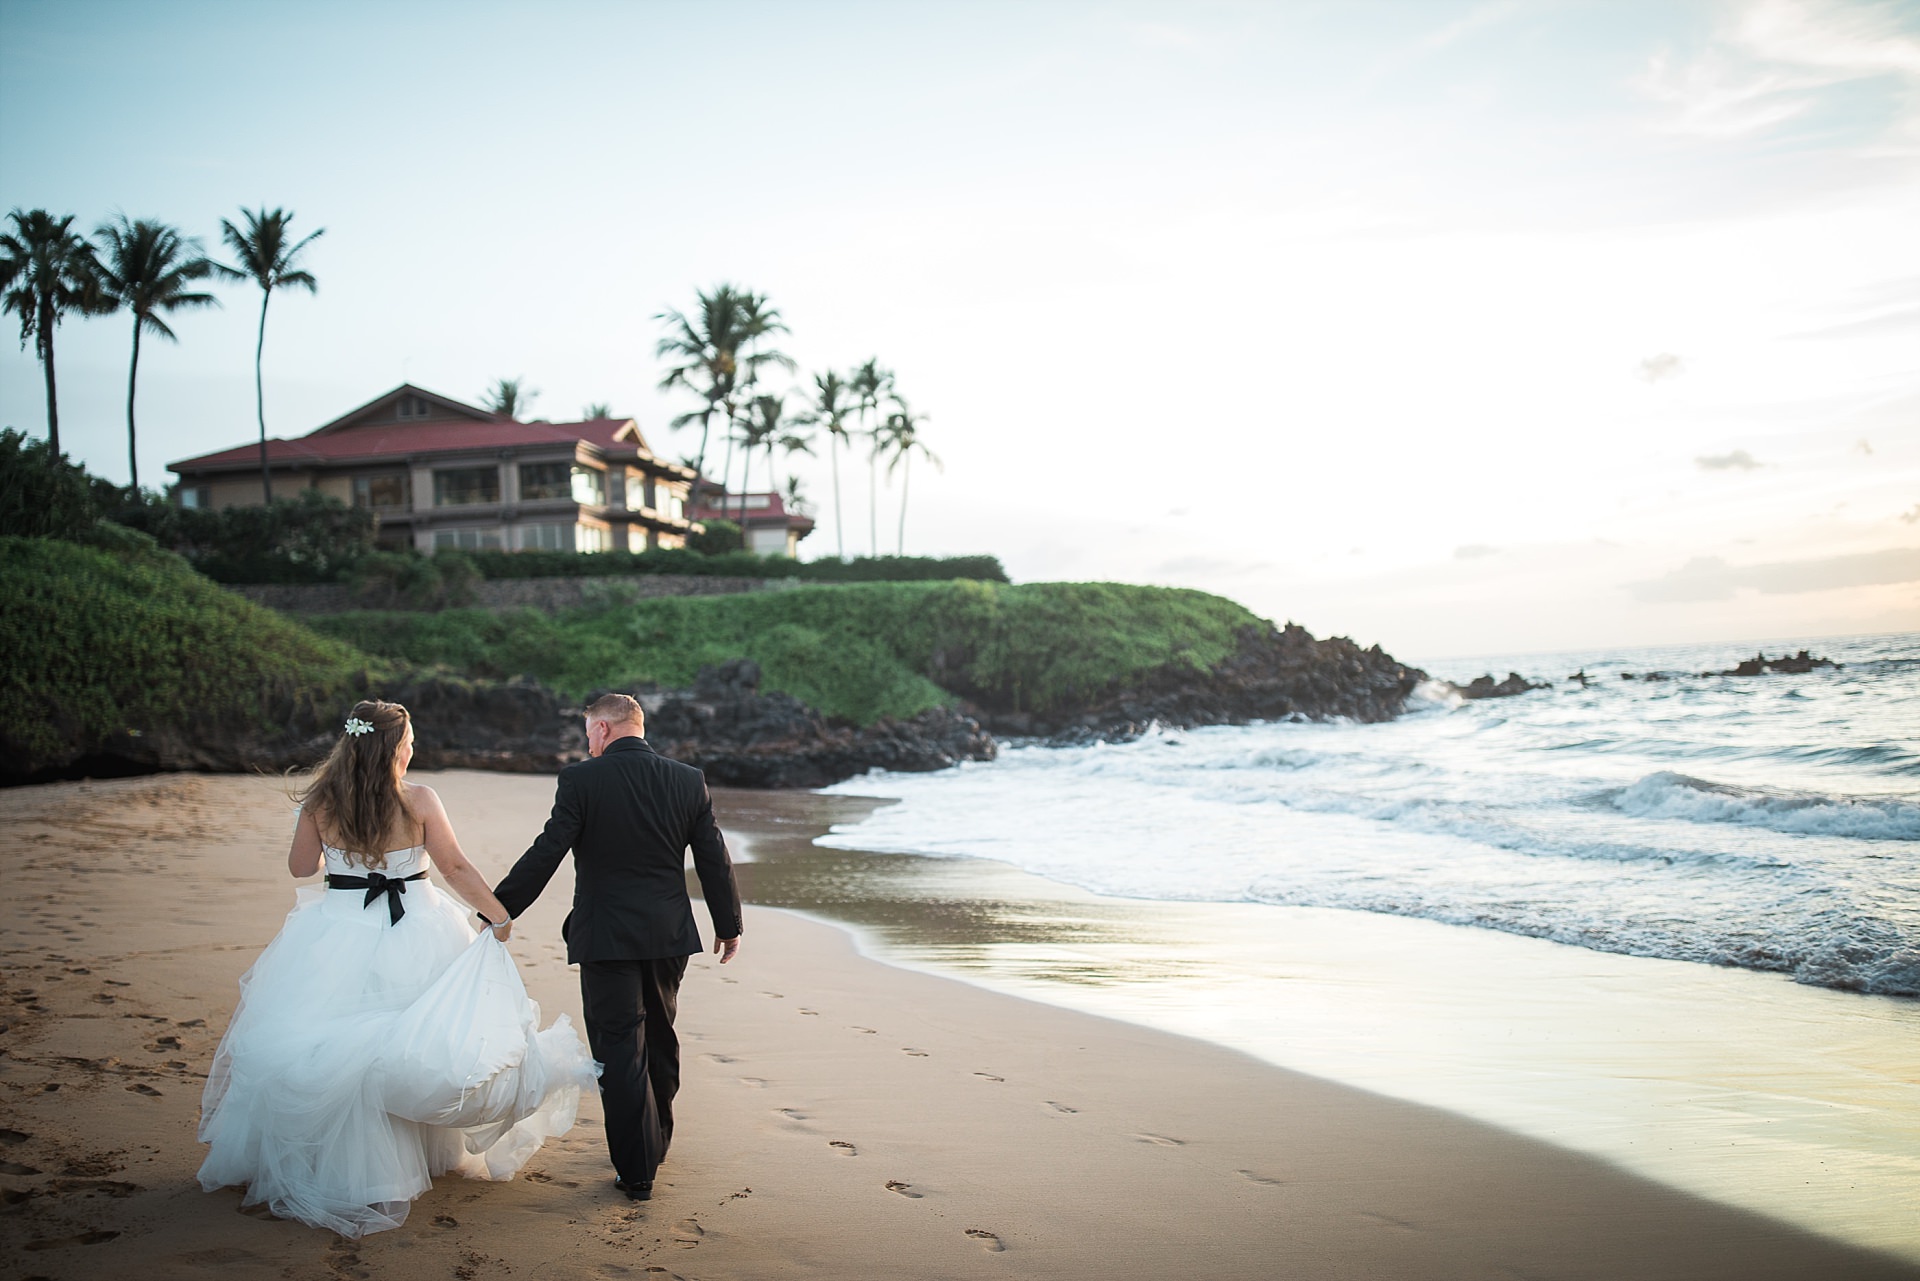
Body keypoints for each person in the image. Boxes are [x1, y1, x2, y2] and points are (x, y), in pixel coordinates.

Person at [197, 699, 596, 1238]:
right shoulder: (420, 800)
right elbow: (453, 866)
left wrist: (332, 842)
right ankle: (404, 1161)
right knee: (413, 1042)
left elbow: (300, 868)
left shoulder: (321, 800)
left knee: (333, 1045)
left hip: (336, 930)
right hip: (418, 925)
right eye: (409, 738)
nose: (414, 746)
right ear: (393, 746)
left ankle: (340, 1163)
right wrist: (498, 915)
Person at [491, 692, 743, 1203]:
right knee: (661, 1036)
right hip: (668, 934)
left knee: (619, 1047)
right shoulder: (687, 779)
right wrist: (728, 923)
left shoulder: (582, 780)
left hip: (605, 935)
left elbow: (549, 851)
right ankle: (656, 1142)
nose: (588, 743)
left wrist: (500, 908)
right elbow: (713, 857)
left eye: (589, 733)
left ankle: (636, 1170)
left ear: (604, 728)